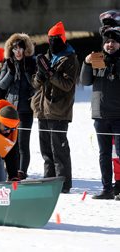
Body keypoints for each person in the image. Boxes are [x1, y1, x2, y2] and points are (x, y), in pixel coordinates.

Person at [31, 21, 79, 193]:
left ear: (62, 38)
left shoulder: (70, 58)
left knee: (59, 149)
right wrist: (41, 74)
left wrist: (51, 73)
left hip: (59, 110)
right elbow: (36, 84)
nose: (52, 42)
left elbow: (67, 84)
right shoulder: (48, 56)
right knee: (45, 150)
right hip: (43, 109)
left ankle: (63, 184)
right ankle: (49, 180)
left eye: (55, 39)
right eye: (50, 39)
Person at [80, 26, 120, 199]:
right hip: (100, 114)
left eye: (113, 42)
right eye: (107, 42)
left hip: (118, 115)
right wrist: (86, 63)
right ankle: (107, 189)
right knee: (104, 154)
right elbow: (85, 81)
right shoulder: (97, 59)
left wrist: (114, 64)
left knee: (119, 152)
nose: (110, 45)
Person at [0, 33, 36, 179]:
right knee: (10, 142)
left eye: (21, 48)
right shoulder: (8, 63)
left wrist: (26, 72)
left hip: (26, 109)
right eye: (15, 49)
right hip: (11, 110)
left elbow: (35, 85)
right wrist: (11, 72)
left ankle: (22, 171)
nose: (18, 52)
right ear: (11, 50)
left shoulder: (31, 63)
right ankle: (11, 170)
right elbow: (2, 85)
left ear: (26, 49)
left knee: (23, 143)